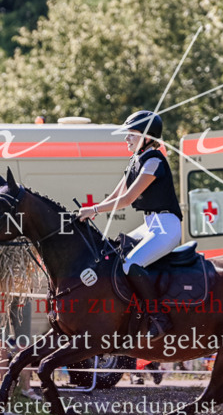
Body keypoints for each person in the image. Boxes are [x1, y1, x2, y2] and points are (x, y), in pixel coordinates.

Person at [76, 110, 181, 337]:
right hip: (150, 224)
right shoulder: (136, 161)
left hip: (166, 226)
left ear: (148, 137)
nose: (126, 139)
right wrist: (89, 214)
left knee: (131, 263)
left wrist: (93, 210)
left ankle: (158, 317)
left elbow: (126, 200)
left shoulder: (154, 161)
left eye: (132, 134)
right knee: (113, 256)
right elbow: (114, 196)